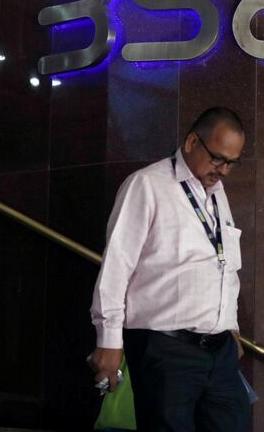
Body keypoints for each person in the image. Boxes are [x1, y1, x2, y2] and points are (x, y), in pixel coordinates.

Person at [89, 107, 250, 432]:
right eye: (218, 158)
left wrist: (231, 327)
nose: (224, 170)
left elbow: (223, 265)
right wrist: (109, 341)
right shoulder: (147, 185)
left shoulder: (217, 195)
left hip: (218, 351)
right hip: (165, 348)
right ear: (192, 141)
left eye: (232, 162)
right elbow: (117, 266)